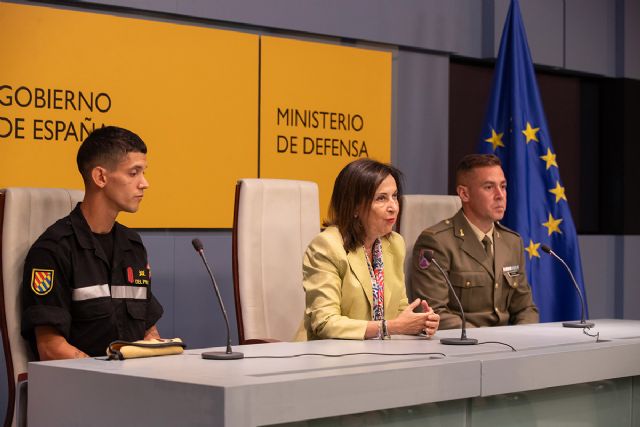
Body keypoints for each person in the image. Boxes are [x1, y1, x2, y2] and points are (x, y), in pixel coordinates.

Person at [21, 126, 164, 360]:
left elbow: (148, 329)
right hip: (81, 389)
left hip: (134, 385)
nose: (144, 183)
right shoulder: (52, 250)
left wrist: (155, 347)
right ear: (100, 177)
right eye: (133, 173)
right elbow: (50, 347)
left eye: (143, 172)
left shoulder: (133, 245)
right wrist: (106, 378)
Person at [302, 158, 440, 340]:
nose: (393, 207)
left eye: (395, 196)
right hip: (332, 357)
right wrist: (389, 327)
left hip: (379, 354)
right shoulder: (327, 247)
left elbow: (399, 310)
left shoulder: (394, 243)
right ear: (355, 206)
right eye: (381, 198)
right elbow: (325, 323)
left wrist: (419, 323)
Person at [410, 154, 539, 330]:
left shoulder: (512, 242)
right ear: (464, 194)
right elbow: (433, 312)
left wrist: (523, 337)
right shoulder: (437, 242)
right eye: (489, 187)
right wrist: (489, 341)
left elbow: (525, 308)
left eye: (503, 186)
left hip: (508, 346)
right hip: (461, 348)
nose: (500, 195)